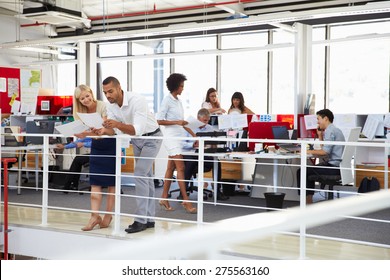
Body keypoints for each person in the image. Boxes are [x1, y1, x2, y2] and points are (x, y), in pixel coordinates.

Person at [95, 76, 163, 234]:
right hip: (137, 141)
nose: (108, 95)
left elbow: (136, 129)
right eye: (105, 93)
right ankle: (149, 218)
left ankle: (140, 220)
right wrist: (103, 130)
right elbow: (116, 131)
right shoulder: (110, 105)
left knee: (139, 173)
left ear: (119, 88)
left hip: (152, 138)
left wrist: (117, 124)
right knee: (146, 177)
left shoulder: (137, 100)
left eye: (111, 91)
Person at [72, 84, 116, 231]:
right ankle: (94, 216)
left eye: (87, 96)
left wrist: (86, 134)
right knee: (95, 182)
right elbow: (89, 133)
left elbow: (106, 129)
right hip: (96, 147)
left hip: (110, 145)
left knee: (111, 183)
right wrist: (81, 135)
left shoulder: (103, 106)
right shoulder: (81, 112)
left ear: (91, 93)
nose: (85, 100)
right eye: (81, 98)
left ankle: (108, 215)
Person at [157, 73, 197, 214]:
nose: (182, 89)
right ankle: (186, 201)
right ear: (175, 86)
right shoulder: (166, 100)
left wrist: (194, 135)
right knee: (181, 168)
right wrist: (176, 122)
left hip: (178, 137)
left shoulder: (178, 102)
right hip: (170, 138)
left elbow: (182, 122)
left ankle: (163, 198)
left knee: (170, 168)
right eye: (181, 86)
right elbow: (159, 120)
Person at [296, 109, 345, 204]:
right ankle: (308, 202)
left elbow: (325, 152)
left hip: (333, 168)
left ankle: (307, 203)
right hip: (338, 167)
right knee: (307, 170)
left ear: (325, 118)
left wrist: (306, 151)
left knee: (302, 171)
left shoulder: (330, 131)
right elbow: (326, 149)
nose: (317, 122)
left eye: (318, 119)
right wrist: (320, 136)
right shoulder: (335, 130)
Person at [182, 108, 229, 200]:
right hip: (190, 152)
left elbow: (213, 143)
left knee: (217, 162)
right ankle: (183, 192)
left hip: (204, 154)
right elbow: (181, 143)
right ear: (197, 118)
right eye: (204, 120)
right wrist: (192, 144)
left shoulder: (210, 128)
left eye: (208, 120)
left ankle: (217, 191)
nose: (206, 123)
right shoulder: (188, 127)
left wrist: (211, 146)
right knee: (190, 163)